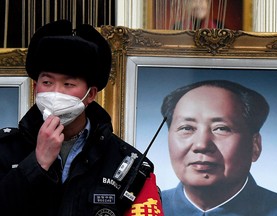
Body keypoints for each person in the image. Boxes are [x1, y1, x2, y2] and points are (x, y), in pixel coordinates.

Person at [0, 20, 163, 216]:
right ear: (35, 87)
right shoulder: (5, 150)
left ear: (91, 94)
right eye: (47, 82)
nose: (56, 92)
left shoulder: (127, 164)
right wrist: (37, 163)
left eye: (68, 84)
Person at [160, 80, 277, 215]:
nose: (201, 145)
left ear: (255, 145)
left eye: (221, 128)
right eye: (187, 128)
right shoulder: (142, 209)